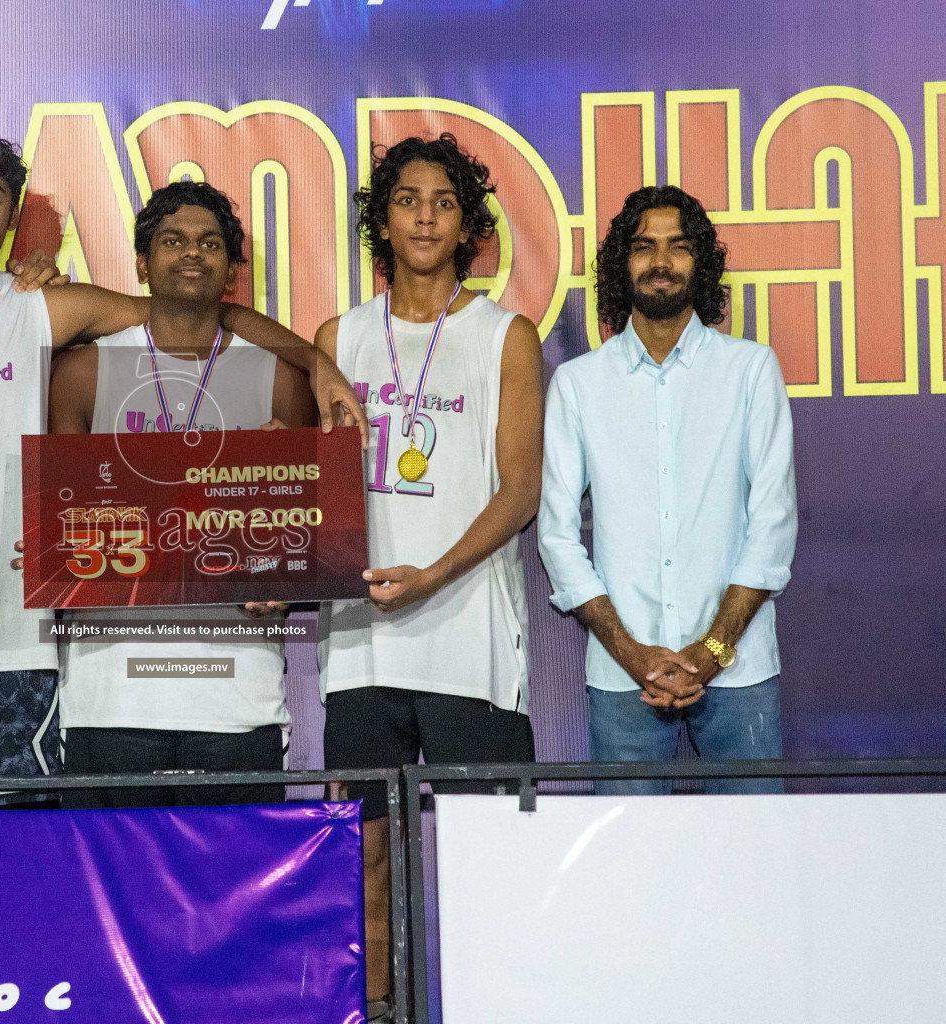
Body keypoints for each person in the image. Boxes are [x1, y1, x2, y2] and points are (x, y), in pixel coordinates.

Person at [0, 128, 365, 809]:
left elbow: (193, 311)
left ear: (11, 215)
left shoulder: (47, 310)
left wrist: (318, 364)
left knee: (14, 854)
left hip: (12, 642)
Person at [315, 134, 545, 1016]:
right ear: (383, 217)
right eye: (407, 198)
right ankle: (374, 1006)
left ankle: (502, 1002)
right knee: (366, 847)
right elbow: (312, 493)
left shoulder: (503, 336)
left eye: (443, 202)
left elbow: (519, 489)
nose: (424, 215)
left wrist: (435, 575)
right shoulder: (340, 335)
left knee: (488, 846)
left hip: (470, 641)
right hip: (363, 650)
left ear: (467, 224)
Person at [46, 181, 314, 808]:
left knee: (230, 901)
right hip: (111, 696)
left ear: (230, 267)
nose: (191, 253)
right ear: (143, 263)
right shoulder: (85, 372)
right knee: (111, 898)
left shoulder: (278, 379)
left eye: (209, 242)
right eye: (172, 240)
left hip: (236, 697)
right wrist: (51, 548)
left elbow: (306, 540)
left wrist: (282, 572)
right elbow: (61, 523)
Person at [538, 185, 796, 796]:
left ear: (699, 263)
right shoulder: (578, 385)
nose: (661, 262)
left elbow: (773, 524)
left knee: (755, 859)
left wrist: (711, 651)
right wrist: (632, 655)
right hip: (622, 675)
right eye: (644, 247)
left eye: (678, 247)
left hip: (740, 671)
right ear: (620, 265)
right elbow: (555, 535)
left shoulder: (750, 371)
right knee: (630, 871)